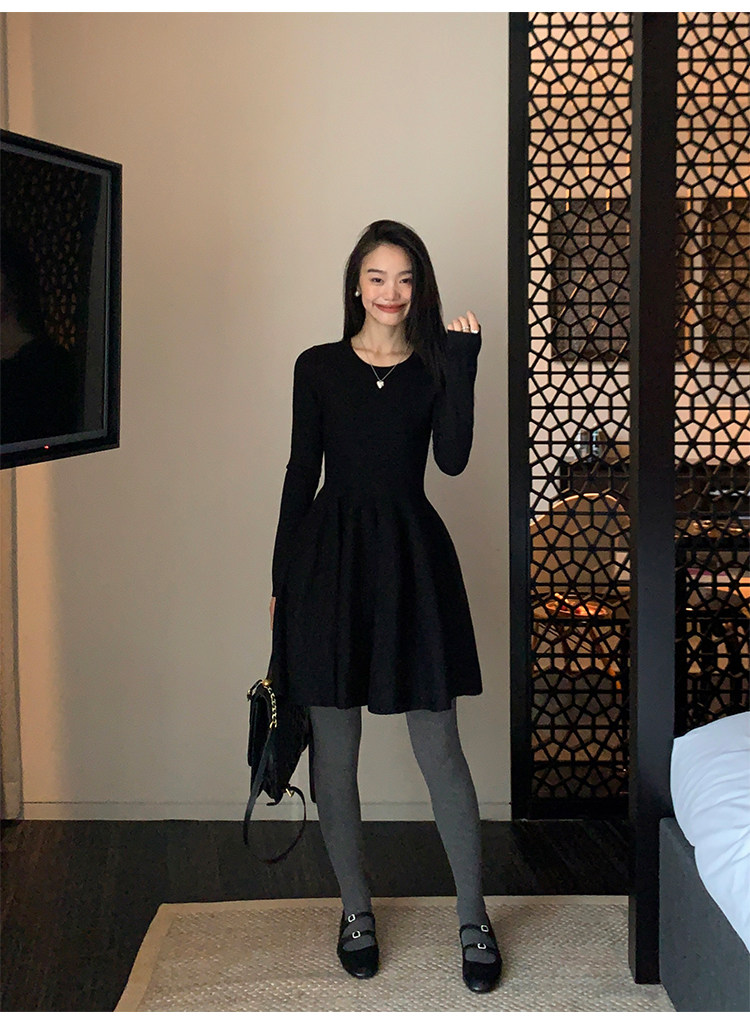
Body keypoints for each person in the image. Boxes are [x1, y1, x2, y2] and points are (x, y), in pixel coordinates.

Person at [269, 219, 501, 993]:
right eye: (377, 277)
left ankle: (473, 917)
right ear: (356, 284)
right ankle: (356, 911)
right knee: (335, 754)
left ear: (420, 287)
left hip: (410, 564)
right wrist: (280, 585)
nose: (390, 292)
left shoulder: (435, 367)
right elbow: (301, 473)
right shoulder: (318, 366)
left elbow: (453, 460)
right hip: (328, 566)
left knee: (442, 751)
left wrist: (465, 363)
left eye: (404, 278)